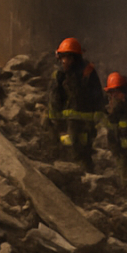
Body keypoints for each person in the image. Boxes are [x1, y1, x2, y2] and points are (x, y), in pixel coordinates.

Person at [46, 38, 102, 172]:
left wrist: (97, 120)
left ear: (75, 58)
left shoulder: (88, 73)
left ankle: (85, 179)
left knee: (83, 152)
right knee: (71, 152)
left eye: (67, 58)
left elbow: (98, 96)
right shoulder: (60, 75)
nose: (64, 61)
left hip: (84, 124)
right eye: (62, 58)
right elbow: (55, 99)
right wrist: (57, 124)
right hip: (69, 123)